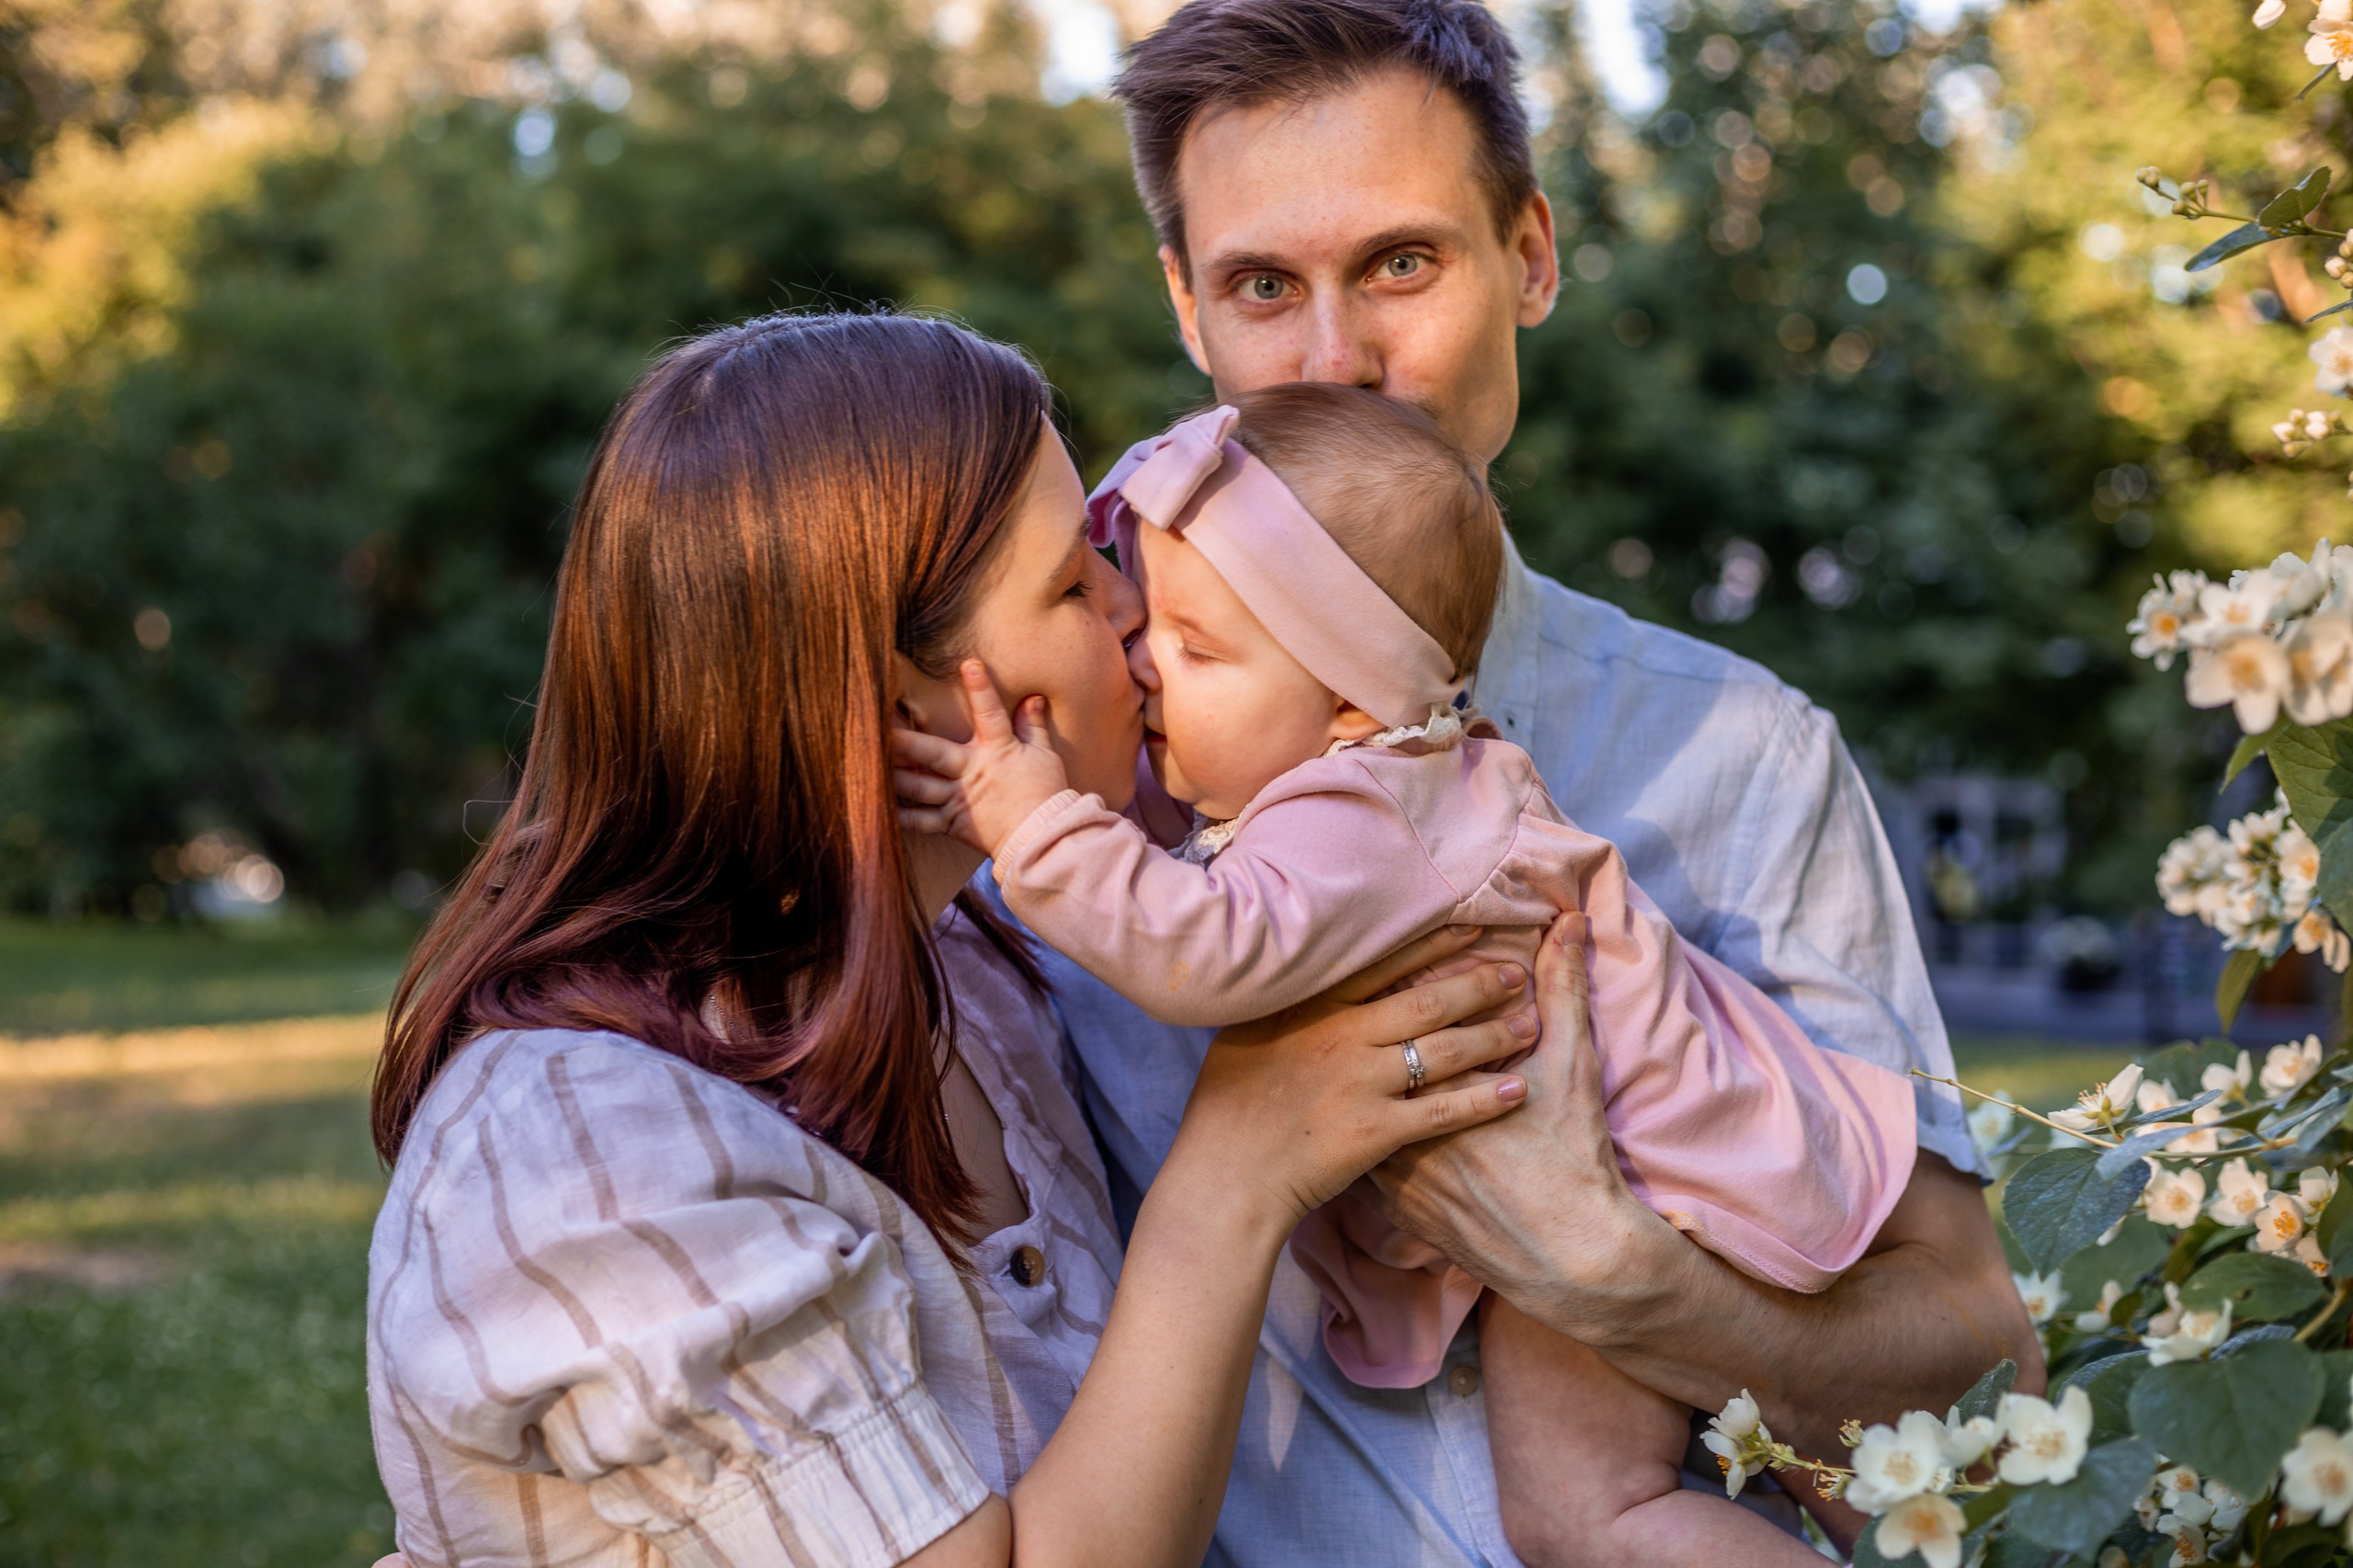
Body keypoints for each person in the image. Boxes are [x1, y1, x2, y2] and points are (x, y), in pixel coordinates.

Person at [999, 2, 2041, 1560]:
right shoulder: (1063, 765)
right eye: (1263, 287)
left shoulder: (1743, 757)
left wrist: (1615, 1271)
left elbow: (1982, 1374)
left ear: (1532, 259)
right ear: (1185, 308)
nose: (1336, 362)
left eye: (1401, 264)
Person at [361, 311, 1540, 1567]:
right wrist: (1235, 1178)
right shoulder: (591, 1162)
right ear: (901, 698)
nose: (1136, 607)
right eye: (1075, 581)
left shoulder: (971, 966)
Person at [894, 383, 1916, 1567]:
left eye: (1195, 647)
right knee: (1590, 1517)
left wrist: (1030, 826)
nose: (1143, 664)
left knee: (1606, 1519)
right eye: (1134, 618)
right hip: (1596, 1198)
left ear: (1345, 699)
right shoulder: (1366, 772)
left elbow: (1206, 945)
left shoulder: (1363, 809)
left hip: (1642, 1183)